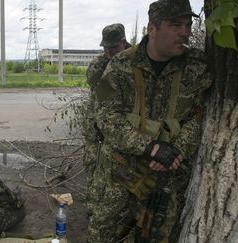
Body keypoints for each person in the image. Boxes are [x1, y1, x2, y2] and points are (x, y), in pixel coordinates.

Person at [88, 0, 212, 242]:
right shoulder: (120, 65)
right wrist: (151, 147)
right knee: (105, 233)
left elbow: (199, 115)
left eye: (187, 24)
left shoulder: (196, 67)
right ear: (152, 29)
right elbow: (105, 115)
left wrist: (176, 151)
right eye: (175, 24)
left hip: (165, 180)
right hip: (119, 175)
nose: (184, 32)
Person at [83, 24, 131, 237]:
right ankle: (94, 211)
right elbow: (94, 81)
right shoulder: (101, 63)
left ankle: (118, 218)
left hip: (120, 132)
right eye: (106, 47)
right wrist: (109, 60)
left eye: (113, 47)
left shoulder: (135, 59)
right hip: (96, 130)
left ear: (123, 42)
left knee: (118, 178)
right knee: (93, 169)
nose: (109, 51)